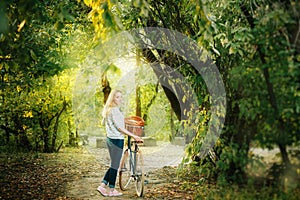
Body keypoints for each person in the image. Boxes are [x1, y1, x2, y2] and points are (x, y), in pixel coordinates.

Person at [97, 89, 143, 197]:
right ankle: (112, 190)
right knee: (115, 165)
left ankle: (102, 185)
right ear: (112, 98)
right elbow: (120, 128)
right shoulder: (114, 110)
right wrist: (134, 136)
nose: (120, 99)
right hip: (117, 140)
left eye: (120, 97)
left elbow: (114, 123)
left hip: (110, 139)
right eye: (117, 97)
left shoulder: (108, 110)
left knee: (114, 164)